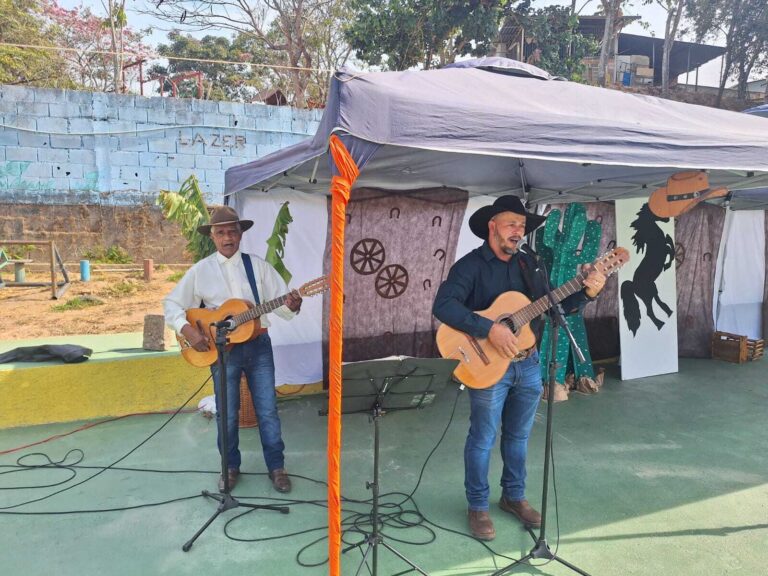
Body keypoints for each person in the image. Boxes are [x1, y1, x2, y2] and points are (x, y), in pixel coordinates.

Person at [432, 196, 606, 541]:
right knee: (482, 439)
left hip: (527, 364)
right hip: (486, 367)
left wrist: (586, 292)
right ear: (492, 226)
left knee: (519, 436)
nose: (519, 232)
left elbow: (554, 307)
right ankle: (478, 506)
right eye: (512, 224)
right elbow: (444, 306)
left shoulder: (530, 264)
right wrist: (489, 328)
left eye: (522, 227)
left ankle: (514, 497)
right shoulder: (470, 267)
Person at [164, 205, 302, 494]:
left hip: (259, 347)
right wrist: (189, 330)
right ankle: (229, 467)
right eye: (221, 232)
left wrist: (293, 305)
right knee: (226, 413)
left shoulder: (259, 267)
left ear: (241, 235)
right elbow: (172, 305)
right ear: (213, 237)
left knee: (267, 411)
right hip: (222, 351)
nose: (227, 237)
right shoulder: (200, 271)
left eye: (232, 231)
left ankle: (276, 467)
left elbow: (282, 304)